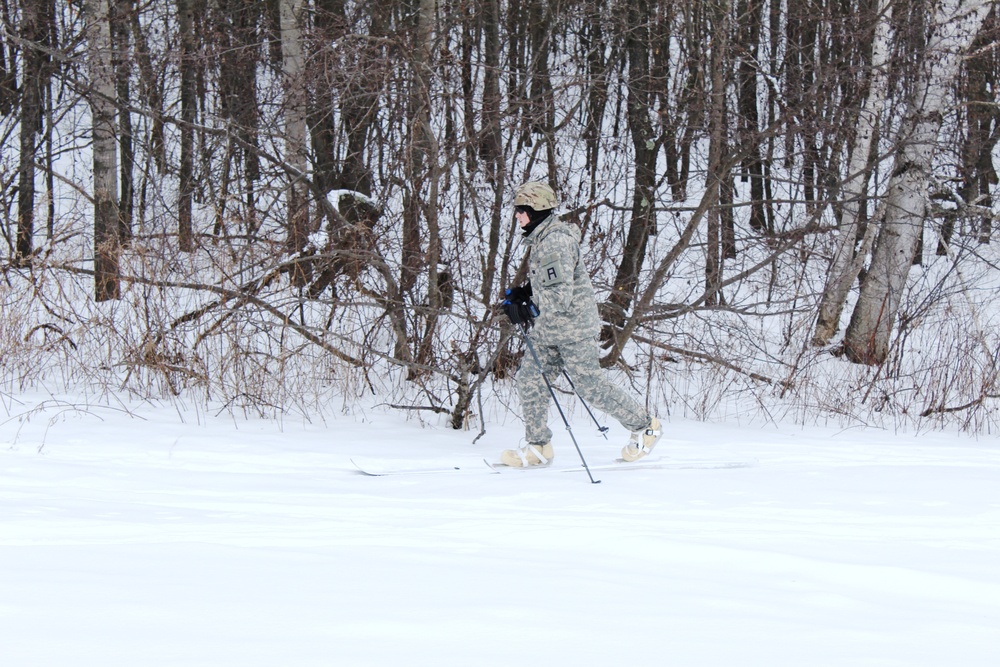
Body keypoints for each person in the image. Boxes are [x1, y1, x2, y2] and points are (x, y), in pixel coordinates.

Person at [499, 181, 661, 467]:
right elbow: (553, 282)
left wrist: (526, 308)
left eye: (521, 210)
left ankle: (646, 426)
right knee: (530, 379)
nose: (517, 216)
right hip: (549, 327)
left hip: (572, 328)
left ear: (535, 211)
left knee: (589, 385)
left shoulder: (555, 241)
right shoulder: (542, 238)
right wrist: (526, 293)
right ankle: (539, 447)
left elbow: (560, 296)